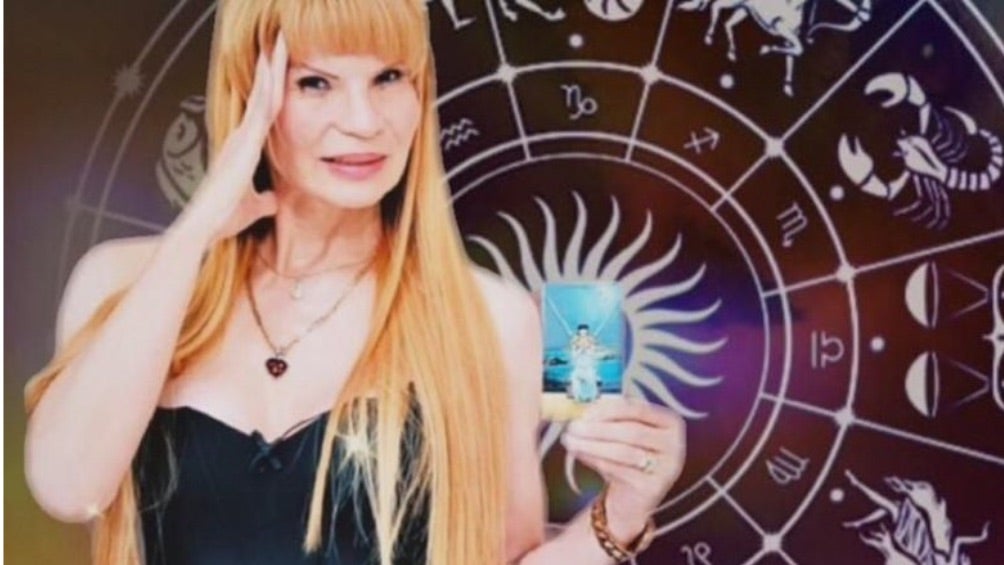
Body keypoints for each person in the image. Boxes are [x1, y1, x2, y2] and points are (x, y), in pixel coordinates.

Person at [23, 1, 686, 563]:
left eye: (389, 77)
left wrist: (623, 513)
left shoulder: (490, 316)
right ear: (248, 91)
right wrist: (197, 228)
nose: (365, 121)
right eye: (316, 83)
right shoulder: (122, 281)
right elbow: (68, 487)